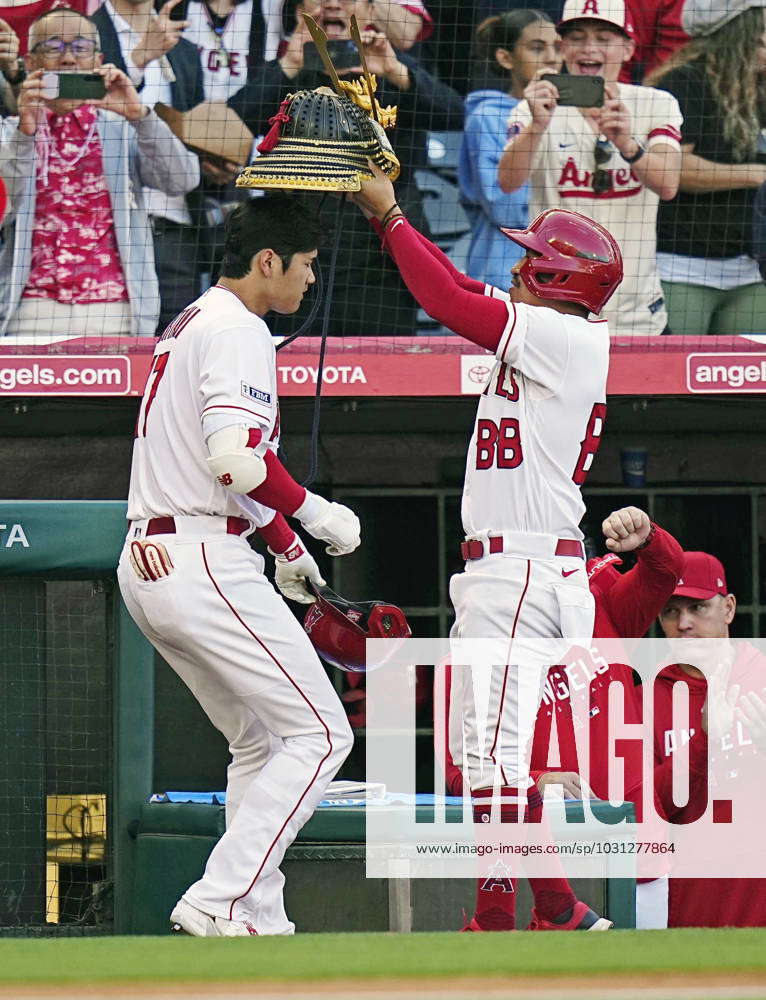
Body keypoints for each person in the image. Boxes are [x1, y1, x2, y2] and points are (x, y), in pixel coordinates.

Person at [352, 162, 622, 928]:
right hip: (518, 567)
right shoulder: (555, 332)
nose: (516, 265)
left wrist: (395, 213)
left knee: (492, 758)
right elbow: (459, 292)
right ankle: (557, 908)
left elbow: (443, 298)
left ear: (562, 278)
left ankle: (498, 920)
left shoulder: (565, 337)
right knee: (496, 755)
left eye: (533, 258)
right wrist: (384, 216)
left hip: (521, 569)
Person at [118, 194, 361, 936]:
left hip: (154, 557)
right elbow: (234, 459)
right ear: (267, 262)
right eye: (307, 266)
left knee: (260, 740)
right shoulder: (239, 328)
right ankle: (219, 897)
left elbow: (217, 464)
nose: (311, 281)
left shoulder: (194, 317)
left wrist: (286, 547)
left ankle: (253, 913)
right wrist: (317, 515)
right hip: (198, 557)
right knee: (324, 735)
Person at [441, 506, 684, 931]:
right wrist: (533, 780)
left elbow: (665, 572)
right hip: (546, 852)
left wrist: (647, 537)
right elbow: (459, 773)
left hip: (634, 849)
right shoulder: (468, 654)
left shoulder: (601, 602)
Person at [230, 0, 464, 337]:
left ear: (370, 11)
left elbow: (454, 115)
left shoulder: (392, 66)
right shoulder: (285, 70)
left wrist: (394, 71)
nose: (334, 3)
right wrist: (289, 63)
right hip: (294, 263)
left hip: (381, 266)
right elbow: (231, 123)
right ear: (300, 11)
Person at [0, 7, 200, 338]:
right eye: (53, 47)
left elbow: (182, 180)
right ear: (31, 63)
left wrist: (140, 116)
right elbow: (2, 212)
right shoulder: (10, 132)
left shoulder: (123, 128)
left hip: (115, 308)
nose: (68, 59)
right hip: (30, 309)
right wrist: (25, 133)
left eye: (80, 47)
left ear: (98, 59)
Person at [497, 0, 682, 336]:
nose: (589, 49)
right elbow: (508, 182)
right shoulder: (536, 105)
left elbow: (668, 184)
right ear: (562, 47)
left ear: (627, 49)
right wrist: (537, 126)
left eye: (603, 39)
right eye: (577, 37)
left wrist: (627, 143)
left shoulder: (656, 103)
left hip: (637, 311)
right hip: (556, 309)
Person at [644, 551, 766, 928]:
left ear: (728, 608)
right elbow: (650, 807)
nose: (684, 623)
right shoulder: (643, 699)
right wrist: (704, 739)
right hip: (688, 904)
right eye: (670, 611)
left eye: (698, 608)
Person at [648, 0, 766, 336]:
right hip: (683, 267)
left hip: (751, 271)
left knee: (745, 384)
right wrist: (756, 176)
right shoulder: (684, 82)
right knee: (669, 383)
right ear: (740, 35)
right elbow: (675, 168)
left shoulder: (760, 87)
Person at [93, 0, 208, 332]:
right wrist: (139, 59)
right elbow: (75, 107)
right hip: (110, 225)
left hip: (176, 224)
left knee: (178, 346)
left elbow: (195, 125)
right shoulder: (84, 34)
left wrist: (213, 158)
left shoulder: (183, 48)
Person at [458, 9, 560, 289]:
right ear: (505, 58)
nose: (552, 58)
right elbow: (506, 207)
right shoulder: (486, 117)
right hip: (501, 274)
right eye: (537, 48)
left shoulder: (574, 115)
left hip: (561, 273)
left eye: (557, 47)